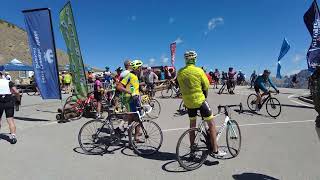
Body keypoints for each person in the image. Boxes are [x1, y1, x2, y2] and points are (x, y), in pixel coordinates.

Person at [177, 51, 226, 157]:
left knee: (192, 126)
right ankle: (215, 150)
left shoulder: (180, 72)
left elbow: (180, 86)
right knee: (212, 124)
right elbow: (206, 85)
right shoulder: (199, 71)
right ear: (194, 60)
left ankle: (192, 150)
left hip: (188, 102)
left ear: (185, 60)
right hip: (199, 100)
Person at [116, 60, 144, 142]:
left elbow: (132, 86)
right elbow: (119, 87)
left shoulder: (135, 76)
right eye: (141, 67)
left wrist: (138, 91)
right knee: (131, 120)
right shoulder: (129, 75)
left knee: (138, 119)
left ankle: (136, 137)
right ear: (138, 68)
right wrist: (130, 92)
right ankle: (130, 141)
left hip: (135, 98)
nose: (142, 68)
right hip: (129, 99)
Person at [0, 71, 20, 144]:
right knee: (10, 120)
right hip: (9, 101)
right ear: (2, 75)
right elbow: (16, 92)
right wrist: (18, 100)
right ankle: (13, 137)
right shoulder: (8, 82)